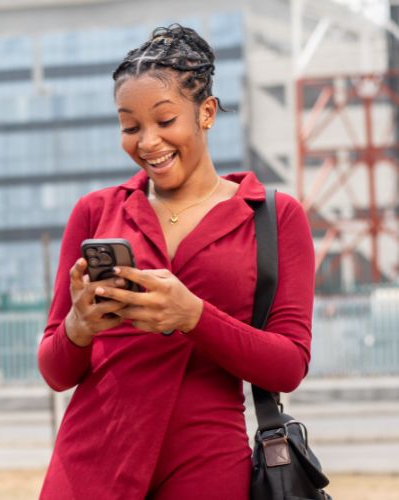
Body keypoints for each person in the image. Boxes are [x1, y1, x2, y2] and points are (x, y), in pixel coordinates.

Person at [37, 24, 315, 500]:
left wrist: (194, 317)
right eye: (130, 126)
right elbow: (55, 371)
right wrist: (79, 327)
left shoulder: (272, 215)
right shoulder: (95, 212)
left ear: (206, 112)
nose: (148, 142)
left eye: (165, 121)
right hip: (91, 463)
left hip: (205, 464)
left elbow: (288, 364)